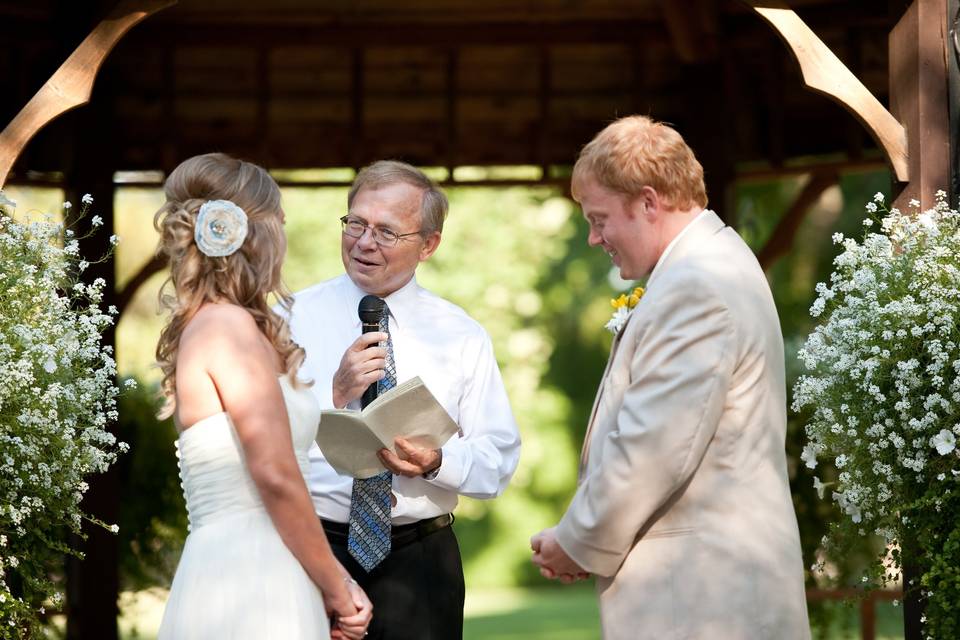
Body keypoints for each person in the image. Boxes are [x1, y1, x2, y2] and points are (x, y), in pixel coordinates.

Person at [530, 116, 810, 639]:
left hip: (702, 597)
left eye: (599, 218)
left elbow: (653, 448)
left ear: (648, 202)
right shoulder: (711, 264)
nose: (594, 238)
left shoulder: (695, 286)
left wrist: (575, 541)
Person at [286, 160, 521, 640]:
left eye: (387, 232)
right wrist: (332, 394)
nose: (364, 242)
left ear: (428, 244)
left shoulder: (460, 335)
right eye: (356, 223)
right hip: (313, 549)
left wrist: (438, 461)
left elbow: (498, 457)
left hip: (420, 559)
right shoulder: (288, 318)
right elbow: (256, 438)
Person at [153, 153, 372, 640]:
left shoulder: (220, 323)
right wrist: (338, 586)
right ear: (256, 234)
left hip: (267, 559)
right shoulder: (226, 328)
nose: (284, 236)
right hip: (249, 575)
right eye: (280, 221)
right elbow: (275, 474)